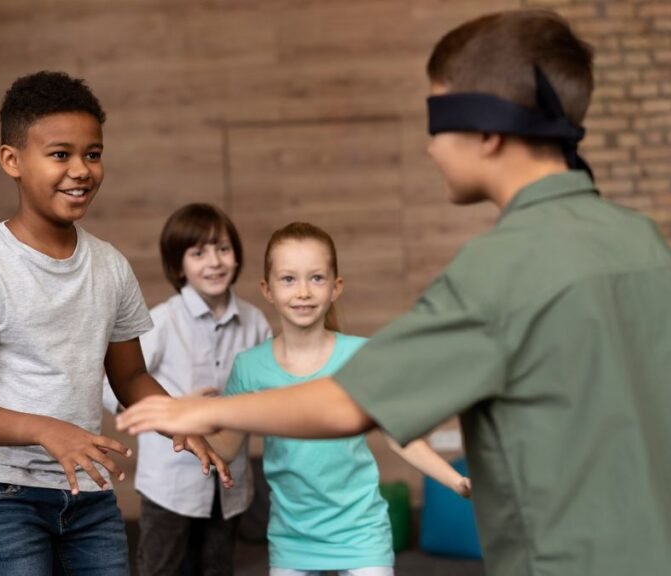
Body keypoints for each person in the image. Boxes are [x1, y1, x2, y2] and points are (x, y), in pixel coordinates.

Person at [116, 9, 671, 576]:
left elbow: (348, 405)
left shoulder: (500, 270)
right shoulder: (645, 244)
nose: (429, 145)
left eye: (436, 119)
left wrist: (199, 410)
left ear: (488, 130)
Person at [0, 71, 228, 576]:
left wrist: (176, 418)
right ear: (12, 161)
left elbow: (130, 376)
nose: (81, 169)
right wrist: (49, 431)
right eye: (60, 154)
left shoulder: (110, 266)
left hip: (87, 493)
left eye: (93, 154)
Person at [184, 222, 470, 576]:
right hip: (292, 539)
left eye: (316, 278)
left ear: (336, 287)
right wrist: (195, 421)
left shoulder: (360, 357)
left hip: (361, 533)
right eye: (288, 279)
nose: (303, 291)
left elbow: (400, 436)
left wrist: (456, 480)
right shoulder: (250, 367)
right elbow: (227, 446)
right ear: (267, 289)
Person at [102, 203, 272, 576]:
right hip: (170, 481)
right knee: (160, 567)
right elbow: (113, 386)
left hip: (230, 481)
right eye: (198, 253)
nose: (214, 261)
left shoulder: (254, 321)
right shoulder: (160, 321)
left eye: (223, 249)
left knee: (216, 566)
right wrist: (174, 408)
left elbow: (270, 386)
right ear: (179, 266)